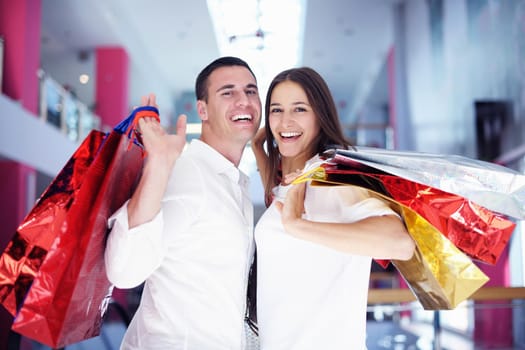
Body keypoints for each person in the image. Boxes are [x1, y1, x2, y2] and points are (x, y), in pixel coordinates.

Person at [251, 67, 415, 350]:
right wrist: (258, 149)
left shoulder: (335, 177)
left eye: (299, 109)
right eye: (276, 110)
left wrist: (297, 226)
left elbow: (399, 244)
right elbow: (285, 200)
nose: (285, 121)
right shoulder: (292, 183)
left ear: (320, 115)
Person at [104, 56, 262, 350]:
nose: (244, 100)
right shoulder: (188, 173)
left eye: (251, 91)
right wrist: (160, 165)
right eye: (228, 92)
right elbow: (124, 271)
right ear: (202, 109)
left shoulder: (235, 182)